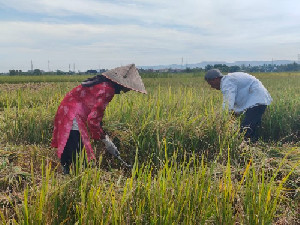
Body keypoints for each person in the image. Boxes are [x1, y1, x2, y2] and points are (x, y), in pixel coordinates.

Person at [51, 64, 147, 174]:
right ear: (121, 84)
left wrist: (102, 133)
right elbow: (93, 119)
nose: (127, 91)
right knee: (79, 153)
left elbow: (96, 114)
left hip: (66, 110)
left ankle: (66, 173)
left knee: (72, 146)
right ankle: (72, 177)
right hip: (73, 115)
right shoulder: (107, 90)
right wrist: (106, 140)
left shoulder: (102, 84)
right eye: (128, 87)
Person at [204, 69, 272, 141]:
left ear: (215, 79)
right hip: (259, 100)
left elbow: (228, 101)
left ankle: (245, 148)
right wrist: (234, 113)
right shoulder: (229, 79)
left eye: (210, 84)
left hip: (257, 101)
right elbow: (236, 101)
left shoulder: (227, 82)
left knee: (245, 130)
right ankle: (253, 147)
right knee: (252, 128)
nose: (212, 87)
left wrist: (222, 118)